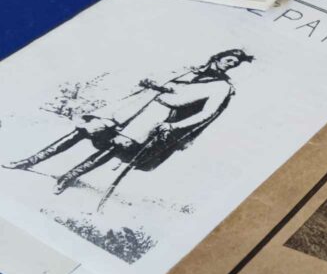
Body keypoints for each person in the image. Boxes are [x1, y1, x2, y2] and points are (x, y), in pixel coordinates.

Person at [4, 49, 253, 196]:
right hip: (133, 105)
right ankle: (28, 161)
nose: (229, 64)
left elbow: (207, 113)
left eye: (234, 64)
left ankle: (67, 177)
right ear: (218, 57)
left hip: (157, 114)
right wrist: (153, 81)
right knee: (82, 131)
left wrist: (173, 126)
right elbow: (148, 78)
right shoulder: (186, 69)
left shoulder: (222, 86)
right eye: (228, 59)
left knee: (116, 147)